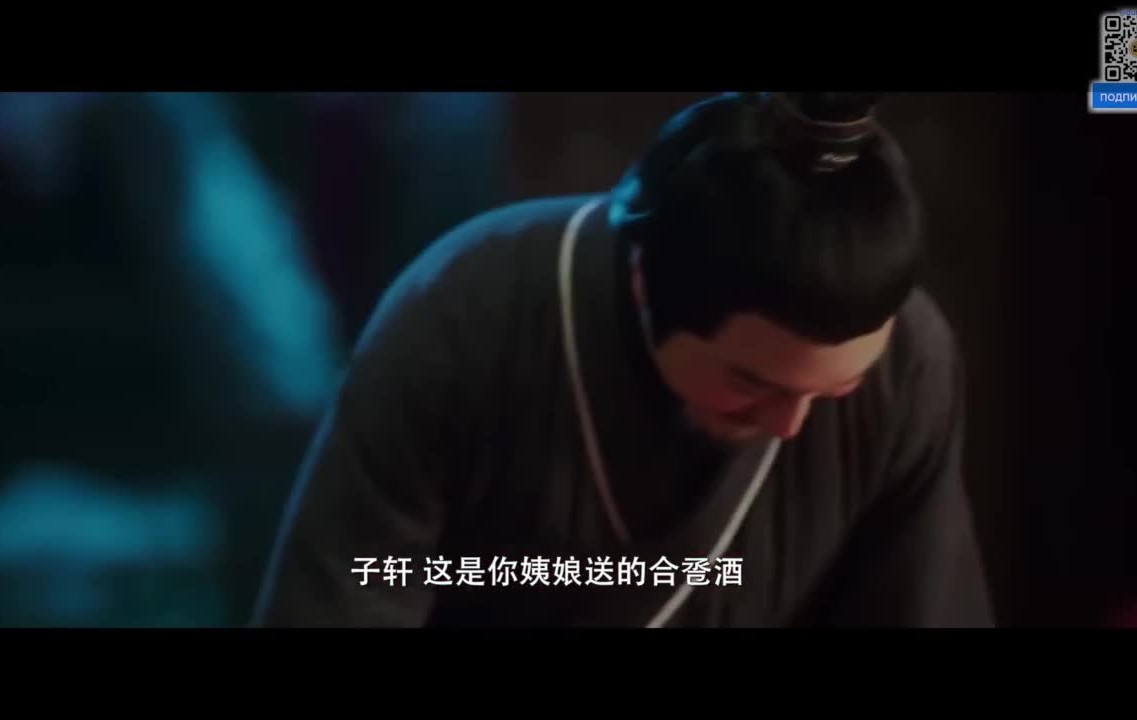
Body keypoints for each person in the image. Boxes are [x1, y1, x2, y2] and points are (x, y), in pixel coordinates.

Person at [253, 92, 995, 627]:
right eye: (751, 383)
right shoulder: (464, 317)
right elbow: (342, 597)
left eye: (836, 389)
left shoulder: (909, 366)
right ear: (645, 281)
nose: (790, 425)